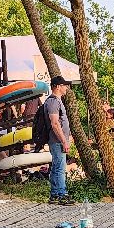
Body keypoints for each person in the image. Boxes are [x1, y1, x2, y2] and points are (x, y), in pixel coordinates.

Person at [42, 76, 72, 205]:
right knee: (60, 167)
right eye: (64, 85)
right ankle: (61, 194)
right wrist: (64, 141)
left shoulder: (56, 101)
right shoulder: (53, 102)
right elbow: (55, 123)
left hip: (57, 140)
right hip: (57, 140)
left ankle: (55, 194)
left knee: (56, 167)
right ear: (58, 86)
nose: (66, 88)